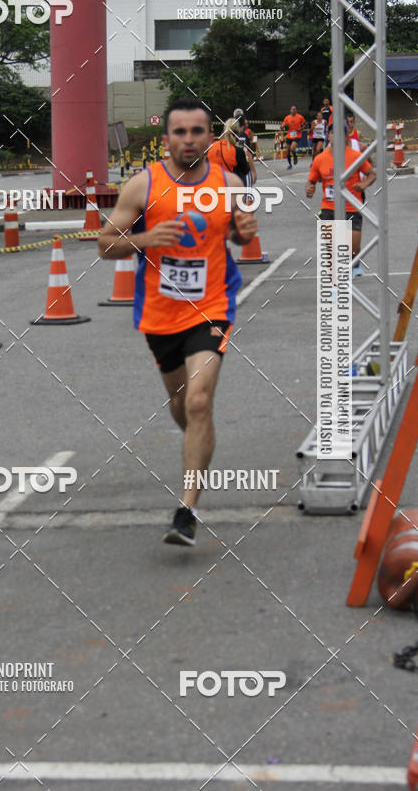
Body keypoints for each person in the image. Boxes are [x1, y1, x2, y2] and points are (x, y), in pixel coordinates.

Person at [98, 98, 258, 546]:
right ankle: (199, 445)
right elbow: (104, 244)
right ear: (166, 138)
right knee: (182, 407)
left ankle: (186, 511)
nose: (189, 140)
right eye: (180, 132)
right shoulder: (142, 185)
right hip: (159, 312)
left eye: (197, 131)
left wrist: (243, 231)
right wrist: (146, 238)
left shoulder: (227, 184)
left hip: (212, 306)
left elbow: (238, 233)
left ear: (210, 136)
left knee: (200, 402)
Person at [305, 124, 376, 277]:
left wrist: (363, 185)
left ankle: (353, 264)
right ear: (328, 136)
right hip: (329, 207)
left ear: (345, 137)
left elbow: (372, 174)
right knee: (330, 249)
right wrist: (309, 189)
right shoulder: (320, 159)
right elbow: (311, 181)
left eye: (340, 133)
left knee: (352, 249)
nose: (335, 136)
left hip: (352, 206)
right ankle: (334, 283)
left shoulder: (355, 156)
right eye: (332, 133)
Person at [207, 117, 252, 185]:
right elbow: (245, 171)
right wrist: (246, 157)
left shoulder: (211, 147)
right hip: (229, 186)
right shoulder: (237, 151)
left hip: (213, 185)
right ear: (237, 133)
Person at [281, 105, 305, 170]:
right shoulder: (287, 117)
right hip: (289, 135)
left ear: (296, 110)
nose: (293, 110)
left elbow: (305, 125)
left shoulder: (300, 117)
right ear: (290, 110)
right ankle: (289, 164)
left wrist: (300, 129)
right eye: (292, 109)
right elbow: (281, 127)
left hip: (297, 135)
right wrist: (284, 126)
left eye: (295, 109)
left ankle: (295, 156)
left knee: (292, 148)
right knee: (288, 151)